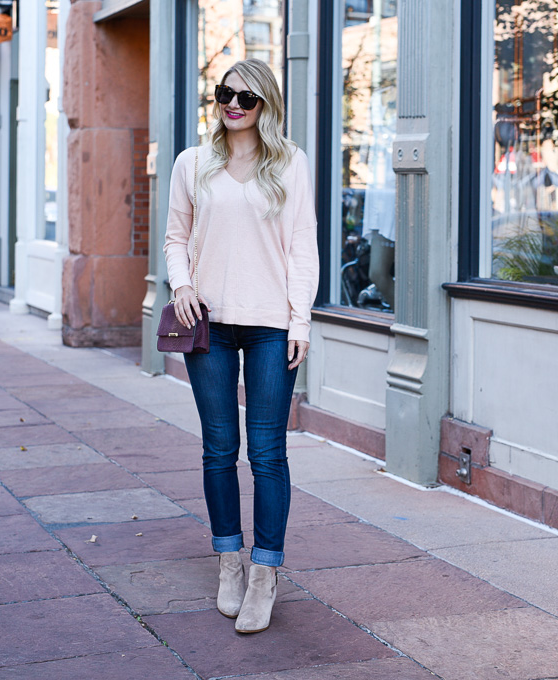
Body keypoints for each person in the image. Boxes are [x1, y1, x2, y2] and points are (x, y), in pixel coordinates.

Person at [163, 58, 319, 633]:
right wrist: (181, 284)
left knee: (268, 453)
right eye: (225, 94)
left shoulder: (290, 163)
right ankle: (229, 560)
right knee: (217, 449)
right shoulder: (192, 164)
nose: (233, 104)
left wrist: (299, 322)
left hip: (272, 325)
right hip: (207, 323)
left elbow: (304, 246)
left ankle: (265, 572)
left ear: (266, 106)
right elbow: (176, 236)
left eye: (246, 98)